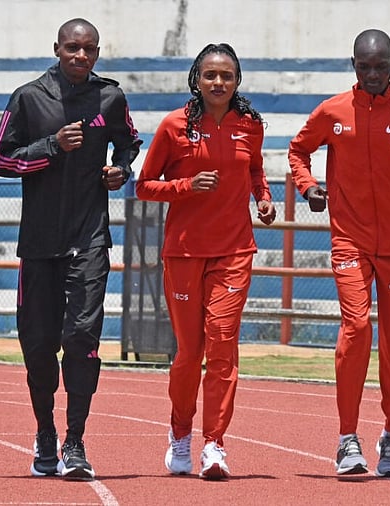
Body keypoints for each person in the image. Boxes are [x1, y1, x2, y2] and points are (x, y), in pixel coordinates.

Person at [287, 29, 390, 477]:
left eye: (381, 67)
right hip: (349, 240)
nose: (373, 74)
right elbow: (298, 151)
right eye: (365, 67)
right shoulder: (333, 110)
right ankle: (347, 439)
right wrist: (310, 187)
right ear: (354, 65)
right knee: (356, 327)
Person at [0, 18, 141, 481]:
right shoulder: (28, 97)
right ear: (56, 48)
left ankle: (76, 440)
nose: (81, 56)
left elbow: (129, 145)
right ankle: (45, 435)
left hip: (90, 238)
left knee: (81, 339)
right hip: (38, 244)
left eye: (89, 49)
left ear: (97, 53)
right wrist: (51, 146)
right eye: (72, 48)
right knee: (38, 348)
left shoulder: (110, 98)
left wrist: (121, 171)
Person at [136, 43, 275, 480]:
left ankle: (214, 444)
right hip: (183, 251)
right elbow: (144, 186)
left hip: (234, 250)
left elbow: (255, 170)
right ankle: (180, 434)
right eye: (211, 75)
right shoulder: (174, 126)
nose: (219, 83)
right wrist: (186, 186)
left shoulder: (250, 125)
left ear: (238, 81)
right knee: (188, 353)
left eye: (227, 76)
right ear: (197, 78)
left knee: (222, 347)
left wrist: (264, 199)